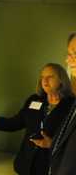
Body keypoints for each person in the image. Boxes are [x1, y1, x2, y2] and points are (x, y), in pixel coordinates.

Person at [0, 63, 75, 175]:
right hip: (25, 165)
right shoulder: (34, 99)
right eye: (42, 77)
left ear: (61, 80)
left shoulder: (71, 105)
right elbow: (14, 123)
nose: (44, 80)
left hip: (50, 167)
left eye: (50, 77)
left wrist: (51, 144)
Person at [44, 33, 76, 175]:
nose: (68, 60)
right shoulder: (34, 99)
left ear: (61, 80)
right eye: (69, 54)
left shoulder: (68, 101)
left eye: (75, 53)